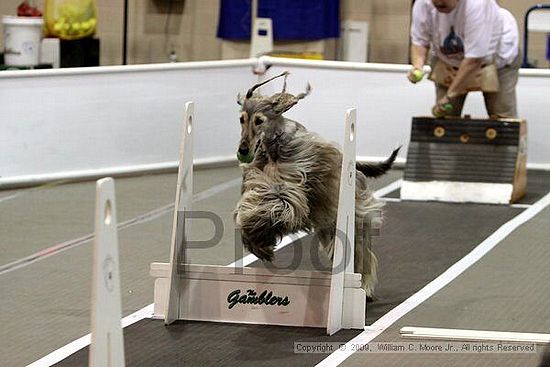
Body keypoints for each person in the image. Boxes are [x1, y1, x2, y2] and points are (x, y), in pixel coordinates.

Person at [408, 0, 520, 118]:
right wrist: (417, 66)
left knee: (502, 119)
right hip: (448, 57)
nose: (438, 3)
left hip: (496, 58)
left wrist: (450, 96)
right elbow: (419, 41)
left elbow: (474, 60)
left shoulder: (478, 4)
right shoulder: (422, 3)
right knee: (445, 117)